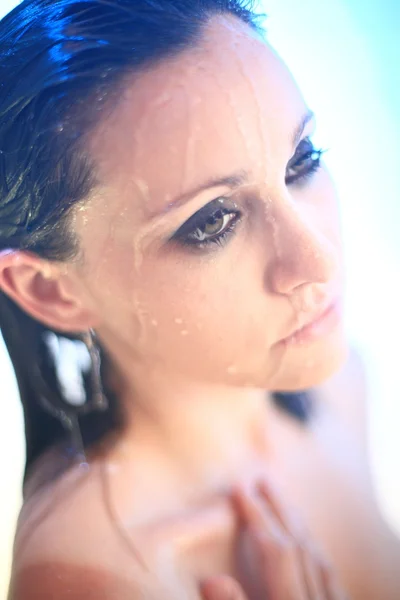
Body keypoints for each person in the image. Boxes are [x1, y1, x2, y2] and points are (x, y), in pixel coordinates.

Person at [0, 0, 399, 598]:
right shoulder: (92, 572)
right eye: (212, 221)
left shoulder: (340, 390)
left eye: (302, 161)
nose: (318, 262)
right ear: (52, 291)